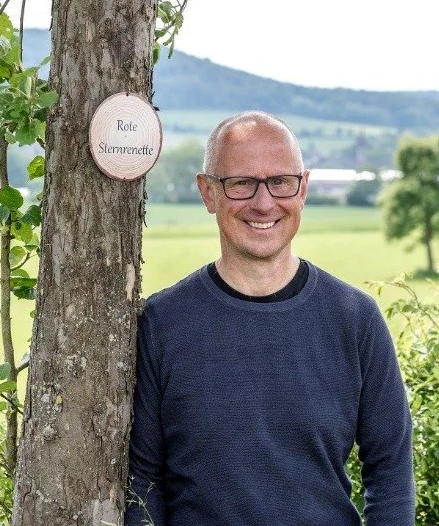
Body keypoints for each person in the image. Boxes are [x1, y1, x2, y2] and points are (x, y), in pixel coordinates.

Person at [126, 111, 414, 524]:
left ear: (303, 189)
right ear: (208, 193)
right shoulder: (162, 324)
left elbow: (390, 469)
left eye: (280, 182)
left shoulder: (354, 320)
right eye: (242, 183)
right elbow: (143, 481)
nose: (264, 203)